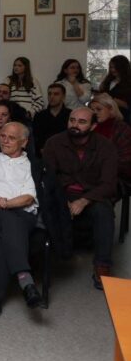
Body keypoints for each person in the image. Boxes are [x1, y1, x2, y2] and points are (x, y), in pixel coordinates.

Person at [0, 122, 46, 320]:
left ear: (24, 142)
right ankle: (25, 280)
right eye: (2, 136)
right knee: (6, 222)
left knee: (1, 238)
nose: (5, 140)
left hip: (22, 215)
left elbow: (28, 198)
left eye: (11, 138)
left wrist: (4, 204)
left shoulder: (31, 165)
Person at [42, 108, 118, 289]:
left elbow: (109, 184)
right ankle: (50, 255)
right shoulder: (54, 143)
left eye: (82, 122)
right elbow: (47, 177)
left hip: (92, 194)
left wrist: (84, 201)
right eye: (72, 120)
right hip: (62, 192)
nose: (75, 125)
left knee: (104, 212)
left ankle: (102, 266)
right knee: (48, 206)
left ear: (93, 126)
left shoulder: (105, 147)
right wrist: (62, 199)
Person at [90, 93, 131, 181]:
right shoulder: (90, 127)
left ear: (111, 109)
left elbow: (126, 159)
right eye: (92, 110)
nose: (94, 113)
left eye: (98, 109)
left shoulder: (122, 129)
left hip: (117, 177)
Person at [32, 84, 71, 155]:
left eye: (56, 94)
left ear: (63, 97)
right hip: (43, 154)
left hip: (66, 154)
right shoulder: (39, 116)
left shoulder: (71, 115)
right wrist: (41, 149)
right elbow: (36, 137)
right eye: (49, 94)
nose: (52, 97)